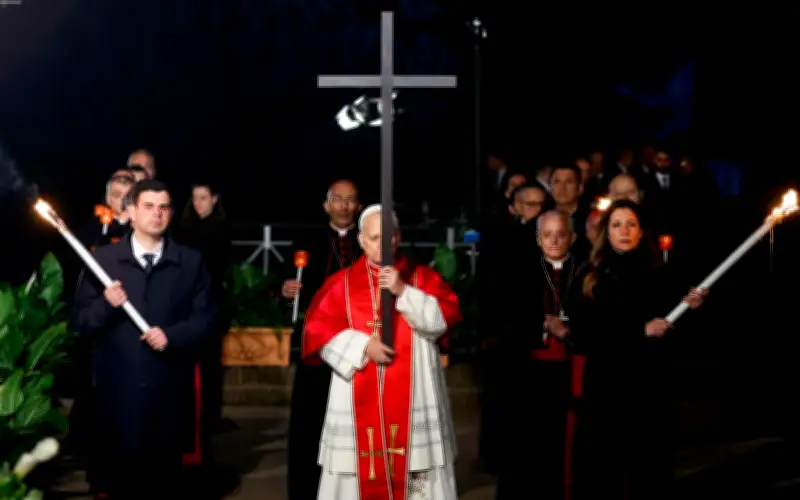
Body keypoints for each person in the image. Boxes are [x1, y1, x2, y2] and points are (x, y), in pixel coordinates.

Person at [302, 204, 462, 500]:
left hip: (415, 395)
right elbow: (318, 333)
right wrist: (363, 346)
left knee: (418, 470)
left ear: (397, 238)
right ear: (361, 240)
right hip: (356, 393)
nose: (381, 244)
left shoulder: (423, 278)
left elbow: (441, 323)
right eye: (374, 238)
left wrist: (404, 291)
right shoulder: (341, 284)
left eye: (388, 237)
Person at [73, 179, 216, 499]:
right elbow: (81, 321)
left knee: (164, 486)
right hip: (117, 399)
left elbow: (207, 319)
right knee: (119, 485)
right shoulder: (105, 261)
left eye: (164, 207)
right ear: (131, 212)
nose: (157, 214)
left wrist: (172, 336)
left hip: (169, 398)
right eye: (149, 206)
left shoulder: (190, 262)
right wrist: (106, 305)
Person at [568, 200, 707, 500]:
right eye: (617, 225)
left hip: (648, 386)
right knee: (603, 469)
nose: (624, 231)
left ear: (642, 232)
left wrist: (690, 309)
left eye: (631, 224)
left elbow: (677, 333)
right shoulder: (590, 276)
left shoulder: (660, 275)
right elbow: (583, 333)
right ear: (606, 231)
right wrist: (639, 331)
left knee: (648, 469)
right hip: (606, 387)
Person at [495, 210, 583, 500]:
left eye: (561, 234)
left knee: (564, 441)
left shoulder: (584, 273)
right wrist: (542, 325)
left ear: (572, 237)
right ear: (537, 238)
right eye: (547, 235)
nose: (554, 241)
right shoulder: (521, 273)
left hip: (569, 371)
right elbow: (507, 321)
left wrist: (568, 331)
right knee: (528, 442)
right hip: (529, 373)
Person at [285, 179, 363, 500]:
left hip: (358, 343)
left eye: (350, 200)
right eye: (338, 199)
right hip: (318, 345)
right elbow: (284, 282)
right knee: (310, 418)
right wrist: (286, 289)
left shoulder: (368, 242)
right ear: (326, 205)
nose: (344, 205)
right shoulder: (307, 241)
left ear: (359, 207)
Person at [175, 181, 232, 467]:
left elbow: (218, 269)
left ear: (214, 199)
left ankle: (208, 421)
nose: (198, 203)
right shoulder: (184, 228)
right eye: (194, 198)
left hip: (210, 306)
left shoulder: (220, 230)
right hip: (186, 306)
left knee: (209, 369)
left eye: (203, 198)